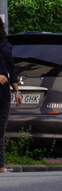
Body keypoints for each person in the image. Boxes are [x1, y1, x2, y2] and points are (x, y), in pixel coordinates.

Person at [0, 19, 20, 173]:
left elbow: (11, 68)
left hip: (3, 93)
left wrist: (17, 91)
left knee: (0, 131)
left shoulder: (6, 45)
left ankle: (0, 166)